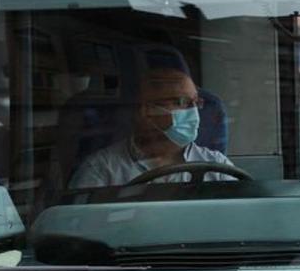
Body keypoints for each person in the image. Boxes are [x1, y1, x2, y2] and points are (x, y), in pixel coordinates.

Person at [69, 51, 230, 191]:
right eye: (181, 102)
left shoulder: (216, 165)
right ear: (146, 111)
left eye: (196, 102)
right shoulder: (103, 170)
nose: (193, 111)